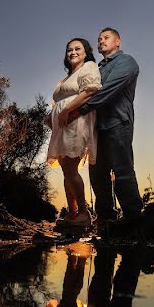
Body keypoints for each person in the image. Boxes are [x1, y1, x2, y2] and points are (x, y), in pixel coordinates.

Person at [64, 28, 143, 233]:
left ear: (118, 42)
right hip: (95, 128)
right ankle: (106, 218)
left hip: (117, 122)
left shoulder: (126, 62)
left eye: (106, 38)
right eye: (99, 39)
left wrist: (80, 108)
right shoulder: (95, 67)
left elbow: (105, 90)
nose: (101, 41)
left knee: (122, 170)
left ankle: (133, 217)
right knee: (97, 174)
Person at [47, 38, 101, 228]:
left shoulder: (89, 66)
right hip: (62, 126)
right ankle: (72, 213)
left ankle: (85, 213)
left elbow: (90, 90)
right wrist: (52, 117)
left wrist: (66, 110)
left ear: (86, 52)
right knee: (66, 170)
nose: (73, 52)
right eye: (69, 49)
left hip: (77, 121)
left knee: (70, 167)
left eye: (78, 48)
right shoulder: (66, 77)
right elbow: (58, 101)